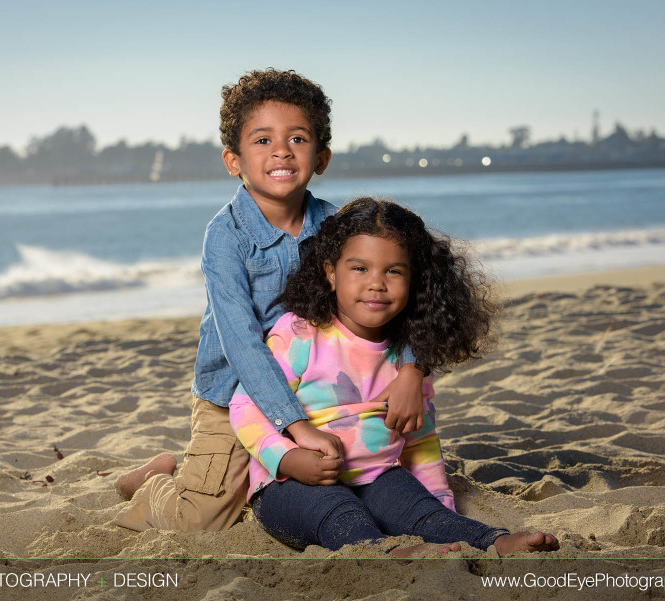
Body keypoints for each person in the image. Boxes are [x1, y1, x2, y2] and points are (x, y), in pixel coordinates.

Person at [115, 70, 427, 532]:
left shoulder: (337, 227)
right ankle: (154, 480)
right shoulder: (225, 237)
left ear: (320, 158)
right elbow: (241, 343)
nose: (281, 150)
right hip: (233, 395)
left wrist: (411, 368)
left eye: (297, 138)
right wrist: (295, 427)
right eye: (262, 140)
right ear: (233, 160)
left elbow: (391, 297)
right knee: (200, 520)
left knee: (352, 476)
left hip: (316, 382)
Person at [230, 198, 560, 555]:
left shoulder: (409, 361)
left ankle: (493, 540)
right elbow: (247, 406)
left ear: (413, 279)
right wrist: (287, 458)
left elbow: (419, 440)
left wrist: (438, 503)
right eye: (359, 269)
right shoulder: (299, 335)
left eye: (393, 271)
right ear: (330, 272)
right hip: (290, 486)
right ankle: (383, 554)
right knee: (341, 513)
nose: (377, 284)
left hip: (378, 477)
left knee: (421, 512)